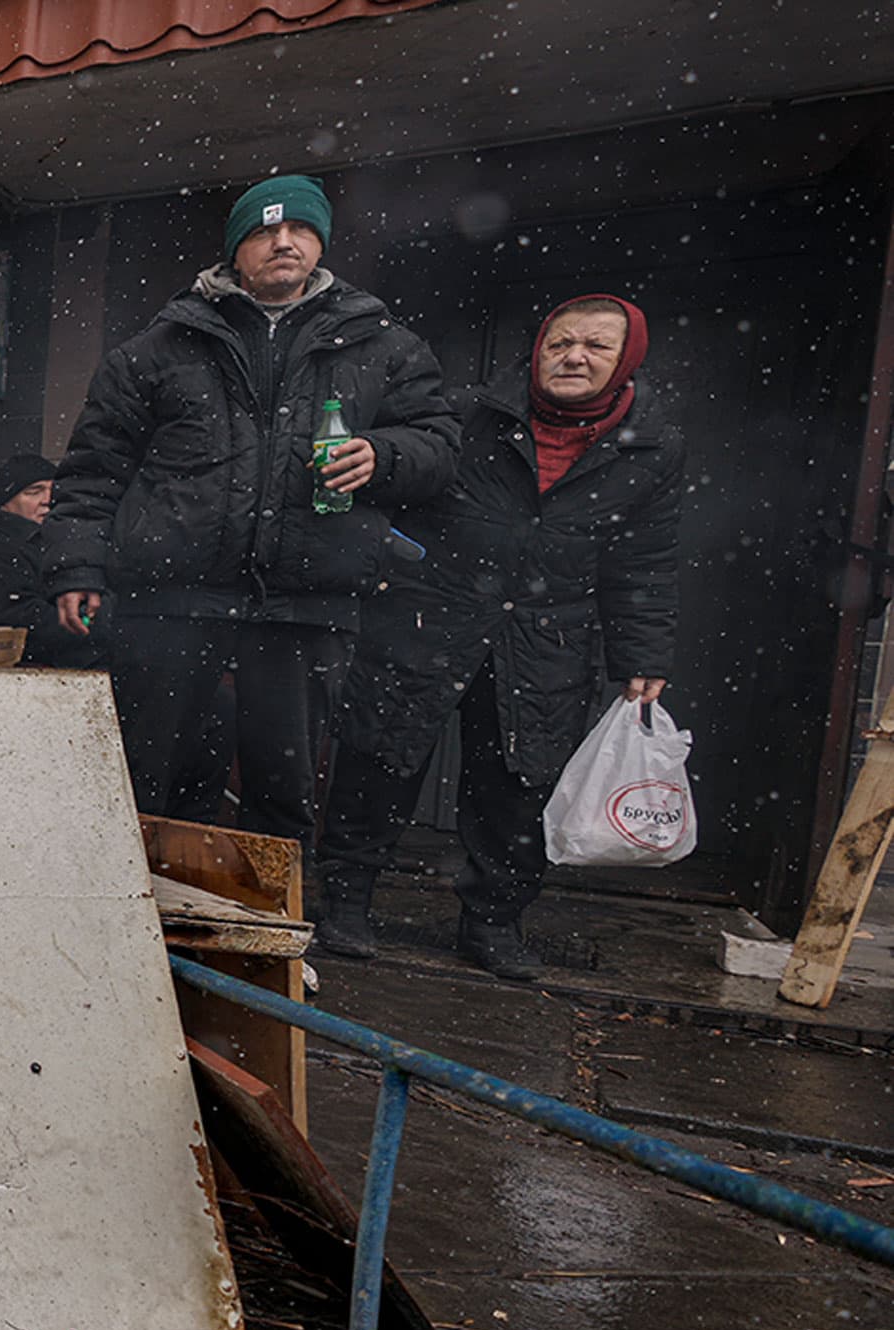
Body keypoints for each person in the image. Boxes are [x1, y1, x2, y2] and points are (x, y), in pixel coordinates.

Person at [47, 174, 458, 850]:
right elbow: (94, 468)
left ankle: (265, 945)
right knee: (146, 778)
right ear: (237, 248)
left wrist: (384, 456)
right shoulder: (159, 347)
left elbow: (440, 444)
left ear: (320, 243)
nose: (284, 242)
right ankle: (144, 932)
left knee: (283, 790)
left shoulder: (381, 344)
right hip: (171, 602)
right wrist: (74, 568)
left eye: (298, 229)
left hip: (305, 605)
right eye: (265, 232)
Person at [318, 296, 682, 979]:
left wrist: (644, 655)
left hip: (549, 634)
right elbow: (393, 478)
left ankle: (493, 922)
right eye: (560, 343)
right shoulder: (465, 412)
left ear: (627, 360)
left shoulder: (653, 446)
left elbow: (645, 558)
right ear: (537, 351)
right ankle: (345, 901)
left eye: (596, 347)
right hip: (427, 615)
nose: (574, 357)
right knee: (379, 757)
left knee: (518, 784)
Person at [0, 454, 99, 669]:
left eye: (54, 491)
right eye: (34, 492)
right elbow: (16, 618)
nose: (48, 499)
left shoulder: (50, 540)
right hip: (24, 673)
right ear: (6, 502)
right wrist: (90, 622)